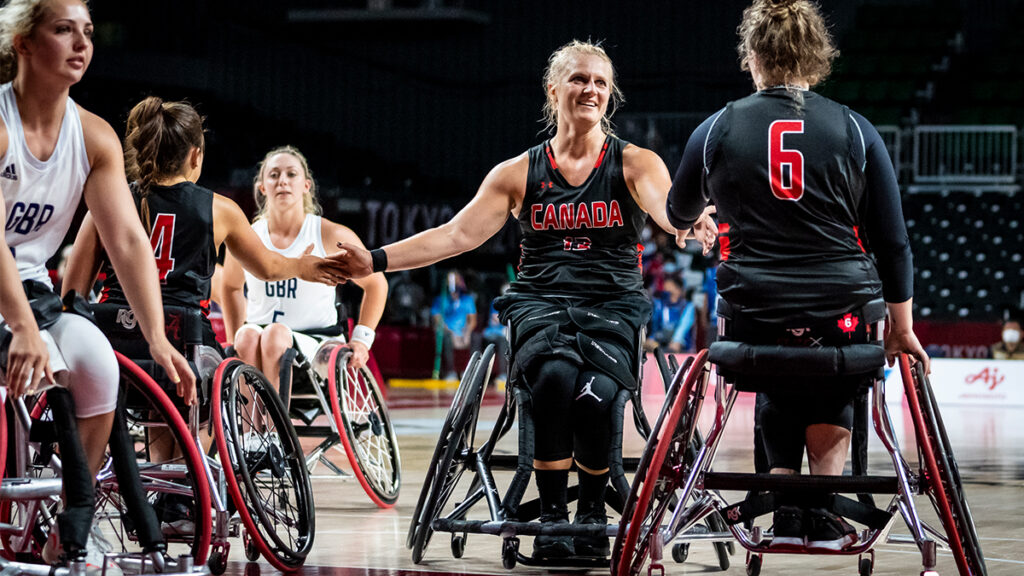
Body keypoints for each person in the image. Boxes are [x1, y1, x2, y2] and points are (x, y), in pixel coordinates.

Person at [332, 40, 713, 559]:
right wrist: (373, 260)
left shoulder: (634, 162)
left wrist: (687, 222)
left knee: (597, 394)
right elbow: (453, 236)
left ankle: (592, 513)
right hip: (541, 304)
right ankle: (554, 514)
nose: (591, 90)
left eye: (601, 82)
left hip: (612, 306)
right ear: (553, 89)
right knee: (553, 380)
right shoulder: (518, 173)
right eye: (580, 79)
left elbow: (666, 207)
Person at [666, 0, 929, 552]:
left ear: (752, 56)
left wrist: (694, 220)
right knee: (833, 373)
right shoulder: (856, 129)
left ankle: (784, 496)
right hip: (843, 310)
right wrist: (902, 328)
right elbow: (893, 242)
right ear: (817, 58)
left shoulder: (715, 129)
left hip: (752, 310)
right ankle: (822, 506)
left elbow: (678, 210)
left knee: (775, 362)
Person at [62, 99, 349, 533]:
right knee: (208, 383)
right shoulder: (218, 209)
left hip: (113, 346)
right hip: (182, 342)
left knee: (157, 390)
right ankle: (181, 496)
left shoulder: (110, 200)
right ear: (196, 155)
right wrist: (307, 267)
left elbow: (73, 289)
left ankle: (159, 494)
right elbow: (269, 267)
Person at [0, 0, 196, 568]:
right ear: (25, 44)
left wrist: (157, 337)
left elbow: (130, 243)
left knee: (97, 362)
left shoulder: (94, 137)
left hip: (31, 292)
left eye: (87, 31)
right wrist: (21, 328)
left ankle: (68, 523)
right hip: (8, 300)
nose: (81, 43)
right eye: (63, 30)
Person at [221, 145, 387, 396]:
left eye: (291, 174)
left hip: (319, 343)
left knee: (275, 335)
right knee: (244, 336)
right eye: (274, 175)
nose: (282, 181)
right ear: (262, 187)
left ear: (306, 185)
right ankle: (250, 433)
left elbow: (376, 284)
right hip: (259, 337)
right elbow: (230, 286)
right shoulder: (248, 237)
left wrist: (362, 339)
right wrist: (234, 333)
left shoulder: (331, 234)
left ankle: (274, 432)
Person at [430, 270, 478, 380]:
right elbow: (438, 321)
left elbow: (472, 320)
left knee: (476, 338)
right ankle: (450, 372)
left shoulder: (468, 300)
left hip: (463, 332)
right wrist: (452, 333)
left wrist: (467, 333)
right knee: (444, 338)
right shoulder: (440, 300)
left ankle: (471, 372)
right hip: (448, 332)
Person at [645, 272, 696, 353]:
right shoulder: (660, 304)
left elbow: (682, 330)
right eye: (665, 288)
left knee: (674, 347)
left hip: (680, 344)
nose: (666, 289)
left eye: (669, 287)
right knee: (647, 344)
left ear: (678, 290)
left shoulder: (688, 306)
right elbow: (655, 324)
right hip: (661, 342)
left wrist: (675, 342)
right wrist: (652, 339)